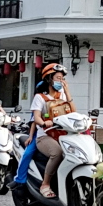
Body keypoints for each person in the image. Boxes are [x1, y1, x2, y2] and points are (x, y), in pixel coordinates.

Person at [29, 63, 76, 198]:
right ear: (49, 79)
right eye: (58, 78)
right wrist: (44, 122)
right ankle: (45, 184)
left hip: (64, 135)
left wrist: (67, 92)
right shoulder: (40, 97)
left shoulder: (63, 96)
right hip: (45, 135)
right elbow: (36, 117)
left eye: (62, 78)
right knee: (57, 153)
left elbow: (73, 112)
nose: (61, 81)